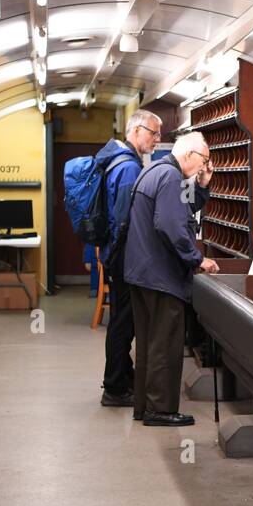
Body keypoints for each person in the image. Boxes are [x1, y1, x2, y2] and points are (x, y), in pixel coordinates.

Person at [124, 131, 220, 426]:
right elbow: (170, 225)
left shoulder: (156, 170)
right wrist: (197, 259)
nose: (205, 167)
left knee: (149, 343)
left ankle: (145, 406)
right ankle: (161, 410)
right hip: (161, 276)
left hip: (141, 273)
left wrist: (202, 186)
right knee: (165, 344)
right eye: (204, 161)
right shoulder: (171, 178)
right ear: (190, 155)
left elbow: (184, 209)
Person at [97, 109, 163, 407]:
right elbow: (126, 220)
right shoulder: (127, 169)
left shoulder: (124, 162)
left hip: (118, 254)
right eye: (153, 133)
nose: (157, 140)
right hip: (124, 257)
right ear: (136, 131)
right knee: (124, 322)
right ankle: (115, 387)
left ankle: (123, 377)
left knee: (124, 320)